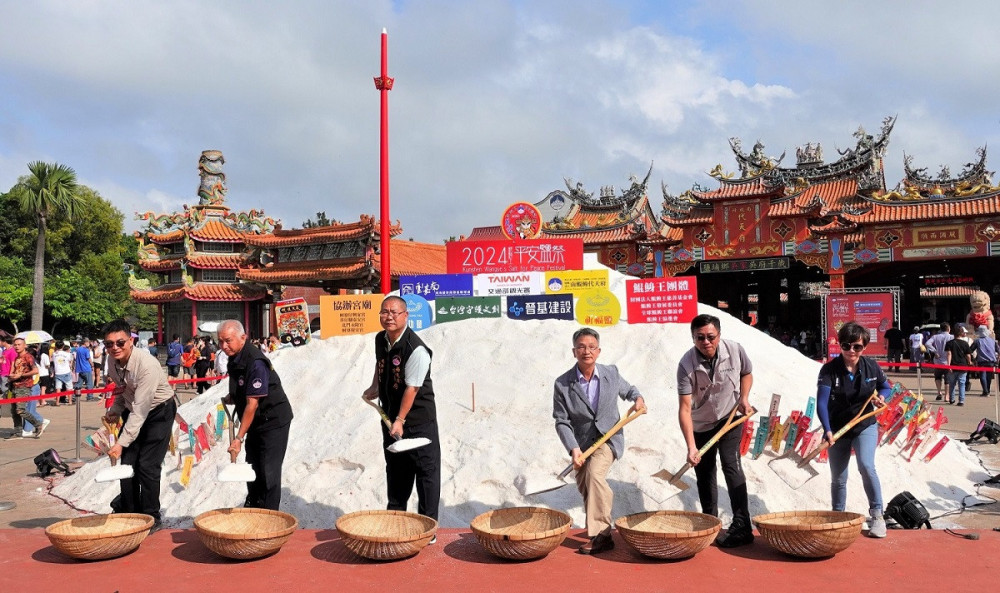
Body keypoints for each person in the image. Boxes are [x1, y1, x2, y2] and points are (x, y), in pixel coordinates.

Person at [552, 327, 646, 555]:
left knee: (595, 475)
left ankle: (600, 534)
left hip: (609, 438)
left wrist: (638, 399)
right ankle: (602, 533)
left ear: (599, 351)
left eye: (592, 347)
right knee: (585, 483)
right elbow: (561, 420)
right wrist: (573, 448)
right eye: (582, 347)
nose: (587, 351)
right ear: (574, 351)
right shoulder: (563, 384)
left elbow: (629, 390)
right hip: (582, 444)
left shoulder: (610, 373)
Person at [363, 296, 441, 533]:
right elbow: (381, 365)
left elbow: (412, 388)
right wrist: (375, 387)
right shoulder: (380, 339)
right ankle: (396, 523)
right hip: (391, 420)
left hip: (417, 422)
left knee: (426, 474)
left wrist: (400, 420)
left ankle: (427, 529)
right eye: (385, 312)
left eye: (395, 312)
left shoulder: (416, 349)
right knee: (396, 472)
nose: (389, 316)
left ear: (406, 316)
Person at [677, 314, 754, 548]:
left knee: (732, 466)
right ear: (693, 338)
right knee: (705, 472)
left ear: (719, 335)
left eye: (711, 336)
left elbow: (746, 373)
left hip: (730, 417)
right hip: (701, 423)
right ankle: (710, 523)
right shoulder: (686, 365)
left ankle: (743, 525)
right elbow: (684, 408)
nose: (706, 342)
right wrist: (691, 446)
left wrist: (744, 397)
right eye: (699, 337)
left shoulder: (735, 350)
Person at [816, 321, 892, 538]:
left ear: (864, 347)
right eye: (846, 345)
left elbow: (885, 387)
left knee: (866, 466)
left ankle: (877, 515)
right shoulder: (829, 370)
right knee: (838, 477)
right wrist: (828, 429)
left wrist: (882, 398)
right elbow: (821, 403)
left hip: (864, 425)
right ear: (839, 345)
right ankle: (837, 517)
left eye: (856, 347)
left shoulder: (871, 367)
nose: (851, 351)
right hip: (837, 428)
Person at [102, 318, 177, 528]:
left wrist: (121, 443)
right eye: (109, 344)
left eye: (120, 343)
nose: (114, 348)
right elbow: (122, 389)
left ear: (131, 341)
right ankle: (129, 508)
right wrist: (115, 411)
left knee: (147, 466)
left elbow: (141, 409)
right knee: (127, 465)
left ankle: (151, 515)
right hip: (132, 409)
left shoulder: (147, 365)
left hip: (158, 412)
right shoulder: (111, 360)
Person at [218, 320, 293, 510]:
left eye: (228, 341)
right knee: (253, 465)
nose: (224, 346)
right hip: (255, 420)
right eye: (220, 342)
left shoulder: (256, 362)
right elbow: (243, 386)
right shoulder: (234, 357)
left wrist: (238, 438)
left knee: (269, 471)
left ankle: (269, 515)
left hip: (273, 419)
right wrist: (233, 396)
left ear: (243, 338)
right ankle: (254, 504)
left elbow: (252, 404)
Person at [5, 338, 48, 440]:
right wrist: (12, 376)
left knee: (20, 410)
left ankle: (38, 424)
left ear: (25, 346)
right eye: (15, 345)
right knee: (14, 411)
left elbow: (36, 370)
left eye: (19, 344)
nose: (16, 346)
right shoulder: (16, 358)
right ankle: (18, 432)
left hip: (24, 386)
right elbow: (16, 372)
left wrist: (21, 375)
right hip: (14, 385)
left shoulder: (28, 357)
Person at [946, 324, 973, 406]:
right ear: (961, 334)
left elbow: (949, 354)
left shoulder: (949, 343)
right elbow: (968, 355)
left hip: (953, 365)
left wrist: (948, 365)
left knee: (952, 384)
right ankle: (961, 401)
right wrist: (970, 362)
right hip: (963, 365)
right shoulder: (965, 343)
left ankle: (951, 399)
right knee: (962, 384)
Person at [924, 323, 951, 400]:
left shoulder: (935, 336)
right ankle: (947, 395)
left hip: (937, 360)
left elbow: (927, 343)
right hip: (947, 361)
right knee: (947, 379)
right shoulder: (951, 337)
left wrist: (935, 351)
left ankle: (939, 392)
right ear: (948, 328)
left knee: (937, 377)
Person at [972, 326, 997, 397]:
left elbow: (971, 350)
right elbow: (997, 350)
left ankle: (985, 391)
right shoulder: (992, 340)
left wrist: (973, 358)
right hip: (991, 361)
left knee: (982, 376)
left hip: (981, 361)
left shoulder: (977, 341)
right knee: (989, 377)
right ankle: (987, 390)